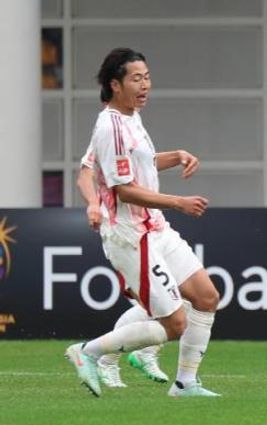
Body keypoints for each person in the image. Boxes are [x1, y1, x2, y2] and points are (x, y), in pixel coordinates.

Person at [64, 47, 220, 397]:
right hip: (130, 236)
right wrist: (178, 202)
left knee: (206, 296)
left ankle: (186, 383)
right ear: (114, 85)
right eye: (137, 79)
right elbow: (124, 190)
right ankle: (89, 351)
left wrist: (176, 156)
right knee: (175, 323)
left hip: (155, 226)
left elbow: (141, 164)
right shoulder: (111, 127)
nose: (145, 85)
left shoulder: (131, 116)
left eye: (147, 77)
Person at [77, 149, 169, 388]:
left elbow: (147, 164)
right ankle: (109, 360)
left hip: (155, 231)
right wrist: (93, 203)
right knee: (154, 305)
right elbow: (85, 174)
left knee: (175, 302)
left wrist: (178, 157)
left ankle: (142, 353)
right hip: (126, 235)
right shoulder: (107, 135)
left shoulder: (136, 135)